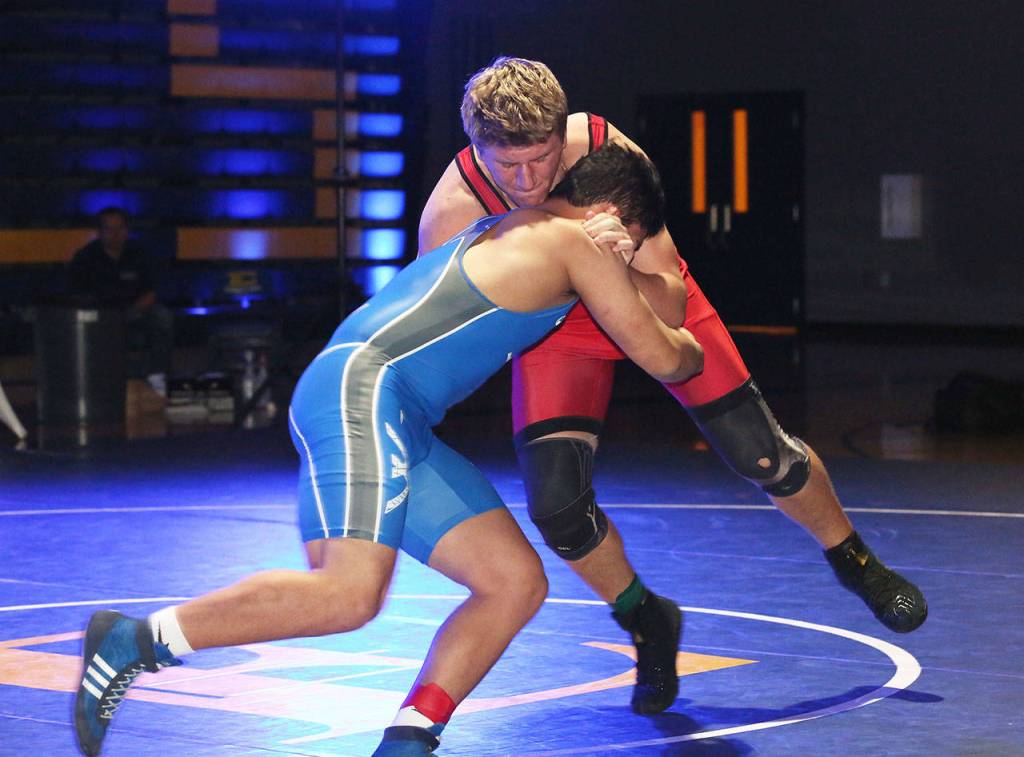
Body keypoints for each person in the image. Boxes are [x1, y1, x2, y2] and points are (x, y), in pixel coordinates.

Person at [74, 144, 704, 757]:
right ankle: (134, 640)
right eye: (635, 237)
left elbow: (663, 297)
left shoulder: (510, 228)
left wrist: (624, 263)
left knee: (512, 582)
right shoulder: (571, 242)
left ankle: (409, 739)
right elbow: (667, 355)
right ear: (616, 218)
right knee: (347, 595)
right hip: (365, 394)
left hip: (385, 409)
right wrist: (663, 311)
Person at [419, 56, 927, 714]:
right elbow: (449, 346)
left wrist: (618, 261)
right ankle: (647, 619)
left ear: (561, 135)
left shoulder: (608, 155)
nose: (527, 181)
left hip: (642, 296)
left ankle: (854, 559)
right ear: (475, 149)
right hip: (554, 332)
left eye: (541, 159)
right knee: (556, 506)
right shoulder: (451, 217)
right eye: (506, 166)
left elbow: (671, 299)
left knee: (760, 451)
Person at [68, 206, 173, 394]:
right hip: (99, 315)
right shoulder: (85, 257)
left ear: (127, 230)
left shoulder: (140, 254)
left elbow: (151, 292)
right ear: (99, 232)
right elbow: (77, 295)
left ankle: (157, 377)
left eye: (120, 228)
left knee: (162, 317)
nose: (115, 234)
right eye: (109, 229)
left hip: (134, 311)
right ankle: (93, 382)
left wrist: (132, 311)